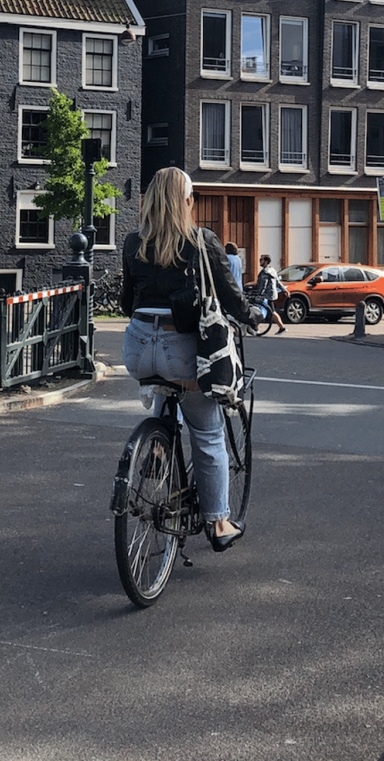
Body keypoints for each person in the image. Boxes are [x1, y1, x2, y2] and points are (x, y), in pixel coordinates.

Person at [120, 168, 254, 551]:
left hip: (138, 350)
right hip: (182, 352)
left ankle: (158, 446)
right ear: (187, 201)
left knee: (166, 384)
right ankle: (219, 523)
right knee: (209, 433)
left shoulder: (133, 242)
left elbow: (127, 303)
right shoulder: (201, 240)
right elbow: (230, 298)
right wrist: (255, 315)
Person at [256, 254, 287, 333]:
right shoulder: (272, 270)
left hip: (266, 295)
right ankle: (255, 328)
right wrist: (284, 290)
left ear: (266, 261)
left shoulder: (265, 272)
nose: (260, 261)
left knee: (263, 311)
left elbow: (263, 284)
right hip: (271, 295)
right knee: (267, 311)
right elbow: (278, 282)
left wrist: (259, 294)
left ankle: (255, 328)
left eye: (261, 260)